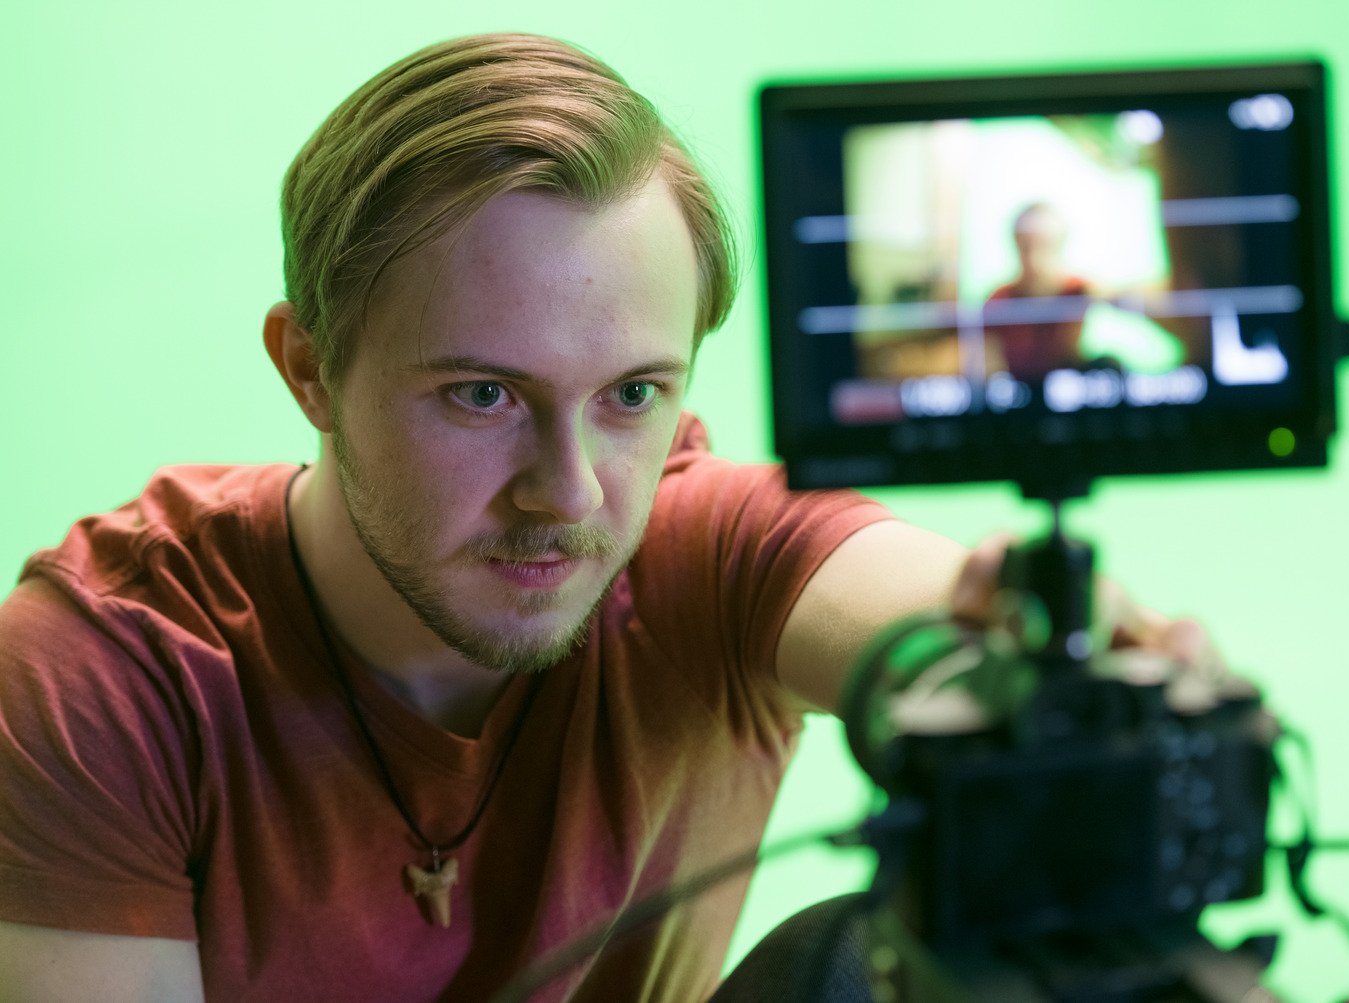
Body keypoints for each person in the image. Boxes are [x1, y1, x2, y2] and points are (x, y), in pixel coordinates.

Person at [0, 33, 1219, 1002]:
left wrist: (1052, 668)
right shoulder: (107, 670)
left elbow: (921, 624)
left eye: (632, 395)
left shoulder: (700, 549)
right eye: (481, 395)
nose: (570, 493)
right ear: (309, 368)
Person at [982, 201, 1093, 382]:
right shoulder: (998, 302)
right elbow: (989, 371)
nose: (1034, 259)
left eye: (1043, 246)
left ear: (1059, 246)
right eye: (1026, 247)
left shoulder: (1079, 291)